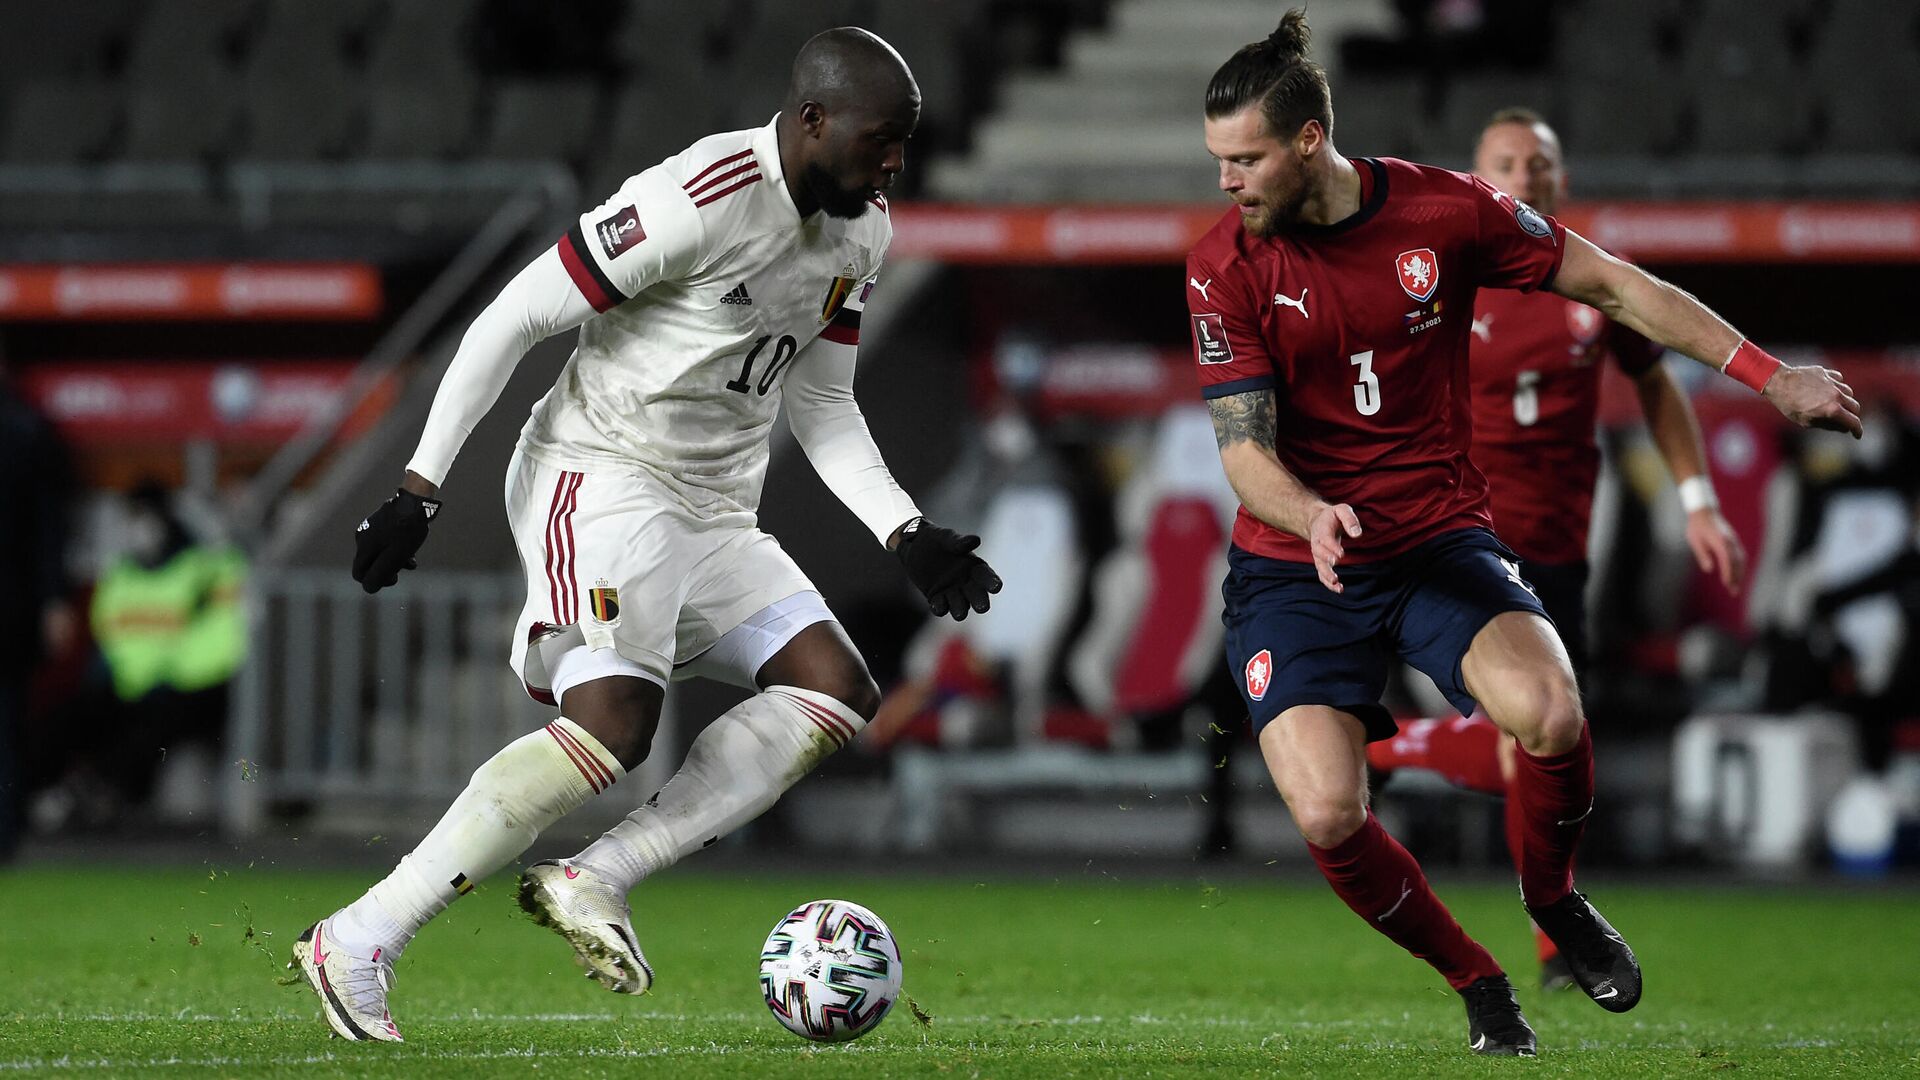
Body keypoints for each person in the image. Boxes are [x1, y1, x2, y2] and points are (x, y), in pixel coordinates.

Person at [292, 28, 1001, 1043]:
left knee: (835, 692)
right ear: (812, 121)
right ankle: (361, 937)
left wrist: (905, 530)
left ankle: (598, 873)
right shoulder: (697, 196)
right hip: (601, 472)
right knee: (616, 723)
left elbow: (826, 402)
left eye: (905, 143)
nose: (895, 163)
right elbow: (511, 317)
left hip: (713, 507)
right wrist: (420, 487)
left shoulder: (864, 232)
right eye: (881, 140)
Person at [1187, 11, 1859, 1057]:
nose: (1227, 183)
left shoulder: (1444, 213)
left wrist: (1773, 378)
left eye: (1244, 160)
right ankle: (1479, 981)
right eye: (1218, 162)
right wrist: (1308, 510)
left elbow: (1619, 286)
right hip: (1294, 565)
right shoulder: (1222, 265)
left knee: (1549, 713)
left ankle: (1555, 903)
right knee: (1326, 814)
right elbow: (1242, 452)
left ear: (1309, 141)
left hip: (1433, 545)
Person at [1364, 108, 1748, 991]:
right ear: (1476, 176)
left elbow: (1656, 389)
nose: (1525, 177)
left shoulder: (1591, 284)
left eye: (1540, 164)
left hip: (1565, 542)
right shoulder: (1440, 277)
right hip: (1461, 538)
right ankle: (1553, 945)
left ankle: (1377, 746)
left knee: (1541, 746)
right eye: (1507, 163)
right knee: (1523, 744)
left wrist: (1696, 500)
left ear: (1560, 182)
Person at [0, 353, 76, 860]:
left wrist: (53, 598)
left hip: (11, 599)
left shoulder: (24, 431)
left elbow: (50, 526)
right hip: (17, 598)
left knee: (5, 720)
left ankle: (6, 831)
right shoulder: (28, 428)